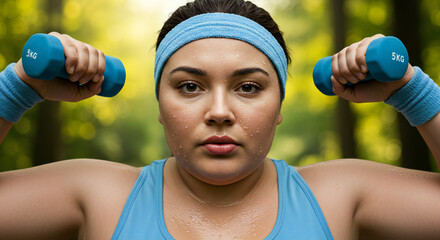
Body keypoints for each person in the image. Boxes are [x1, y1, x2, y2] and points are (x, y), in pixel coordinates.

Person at [1, 0, 440, 239]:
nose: (218, 112)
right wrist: (19, 85)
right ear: (159, 105)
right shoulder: (98, 195)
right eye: (189, 87)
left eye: (248, 87)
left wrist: (412, 90)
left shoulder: (340, 196)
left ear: (279, 106)